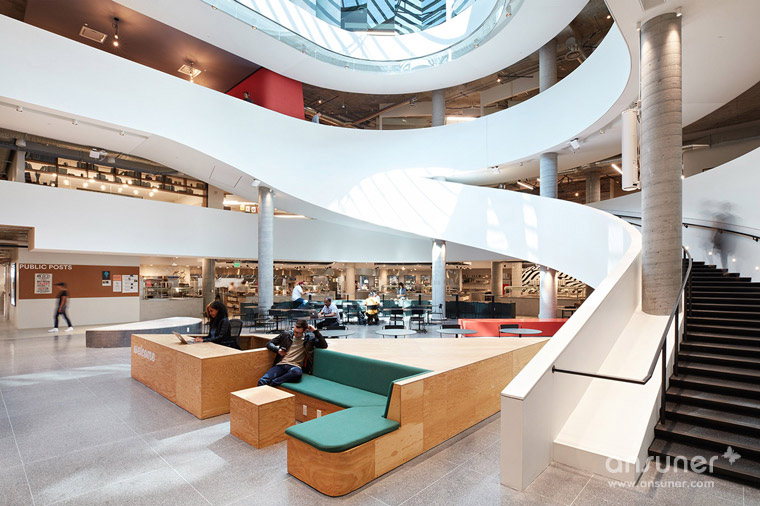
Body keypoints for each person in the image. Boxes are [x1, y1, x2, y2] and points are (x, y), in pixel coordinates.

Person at [258, 319, 327, 386]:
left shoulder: (309, 339)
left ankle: (274, 382)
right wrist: (278, 350)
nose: (295, 334)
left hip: (295, 367)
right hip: (281, 365)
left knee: (297, 373)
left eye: (298, 333)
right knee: (262, 380)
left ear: (305, 331)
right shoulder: (286, 335)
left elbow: (324, 345)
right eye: (294, 331)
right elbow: (269, 343)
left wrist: (315, 331)